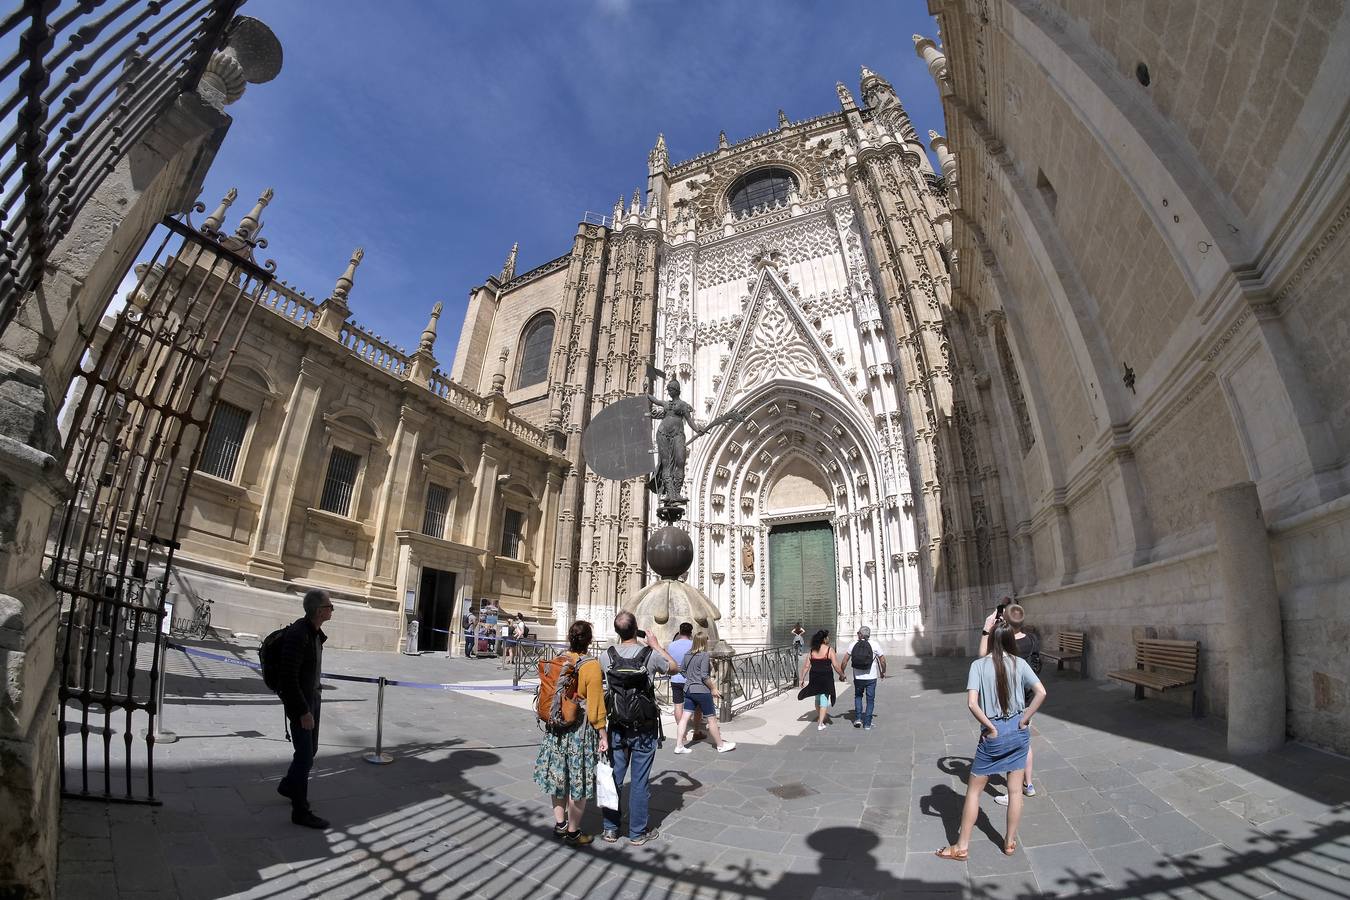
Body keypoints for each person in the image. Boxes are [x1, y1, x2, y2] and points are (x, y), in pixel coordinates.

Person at [936, 622, 1047, 861]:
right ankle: (1009, 842)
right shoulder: (1020, 663)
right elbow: (1041, 692)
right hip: (1017, 730)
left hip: (994, 731)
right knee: (1015, 791)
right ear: (1010, 640)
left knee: (974, 791)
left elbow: (971, 703)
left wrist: (989, 726)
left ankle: (961, 846)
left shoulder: (978, 666)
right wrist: (1025, 718)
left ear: (991, 640)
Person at [599, 611, 680, 845]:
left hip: (616, 725)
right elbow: (674, 667)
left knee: (614, 776)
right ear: (636, 630)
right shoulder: (650, 655)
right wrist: (656, 645)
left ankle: (610, 829)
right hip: (643, 727)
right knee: (640, 780)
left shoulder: (607, 656)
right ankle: (637, 832)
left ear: (617, 632)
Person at [533, 620, 609, 847]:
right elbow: (595, 706)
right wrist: (603, 734)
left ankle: (560, 825)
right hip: (579, 732)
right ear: (590, 640)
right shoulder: (591, 665)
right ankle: (574, 832)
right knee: (578, 782)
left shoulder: (560, 658)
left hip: (556, 729)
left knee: (558, 776)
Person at [276, 589, 334, 829]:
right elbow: (288, 677)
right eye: (330, 606)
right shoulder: (299, 634)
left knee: (309, 751)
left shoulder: (314, 633)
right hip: (302, 703)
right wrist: (303, 711)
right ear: (320, 610)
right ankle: (300, 811)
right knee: (304, 756)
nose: (332, 610)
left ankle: (288, 785)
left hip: (312, 698)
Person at [979, 602, 1041, 804]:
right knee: (1025, 741)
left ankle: (1012, 789)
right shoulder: (1031, 639)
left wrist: (987, 629)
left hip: (1008, 700)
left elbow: (982, 658)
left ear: (1004, 621)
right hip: (1027, 699)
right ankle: (1028, 784)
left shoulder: (1004, 643)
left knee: (1011, 744)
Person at [673, 633, 735, 754]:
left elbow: (682, 670)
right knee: (711, 719)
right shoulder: (704, 655)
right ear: (703, 642)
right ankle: (721, 745)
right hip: (701, 691)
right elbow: (704, 676)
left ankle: (679, 745)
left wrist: (690, 678)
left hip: (689, 690)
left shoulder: (687, 655)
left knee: (685, 718)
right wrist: (713, 688)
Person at [838, 625, 886, 730]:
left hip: (858, 677)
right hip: (871, 677)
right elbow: (882, 660)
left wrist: (842, 673)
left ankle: (858, 718)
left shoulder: (853, 644)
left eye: (858, 633)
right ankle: (867, 723)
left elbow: (845, 660)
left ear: (860, 634)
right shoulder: (874, 644)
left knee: (858, 696)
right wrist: (883, 672)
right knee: (870, 700)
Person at [797, 629, 840, 731]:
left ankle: (821, 717)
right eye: (827, 637)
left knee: (817, 698)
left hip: (815, 677)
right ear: (824, 639)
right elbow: (835, 665)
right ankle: (820, 723)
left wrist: (802, 679)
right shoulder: (829, 650)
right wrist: (842, 674)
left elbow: (806, 666)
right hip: (826, 678)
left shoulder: (812, 651)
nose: (828, 639)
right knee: (824, 698)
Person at [667, 622, 696, 747]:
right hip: (690, 679)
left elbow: (669, 660)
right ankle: (696, 731)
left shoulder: (672, 645)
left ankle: (682, 732)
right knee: (694, 706)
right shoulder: (693, 645)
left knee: (678, 706)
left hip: (675, 679)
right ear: (691, 632)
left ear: (679, 632)